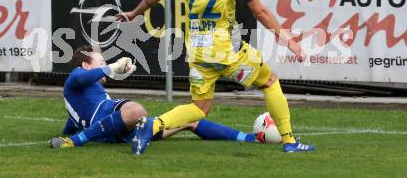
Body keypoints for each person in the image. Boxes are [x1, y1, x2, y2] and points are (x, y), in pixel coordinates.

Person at [116, 0, 315, 154]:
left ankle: (151, 126)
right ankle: (290, 142)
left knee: (199, 108)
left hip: (198, 51)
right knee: (270, 82)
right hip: (228, 52)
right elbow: (259, 10)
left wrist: (133, 13)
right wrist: (288, 40)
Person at [49, 45, 267, 148]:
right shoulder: (75, 77)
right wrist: (112, 68)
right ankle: (77, 142)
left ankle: (248, 138)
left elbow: (73, 121)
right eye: (101, 62)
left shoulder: (80, 96)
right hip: (109, 118)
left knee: (191, 120)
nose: (105, 65)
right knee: (137, 110)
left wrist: (67, 132)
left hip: (116, 132)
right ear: (86, 65)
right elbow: (81, 79)